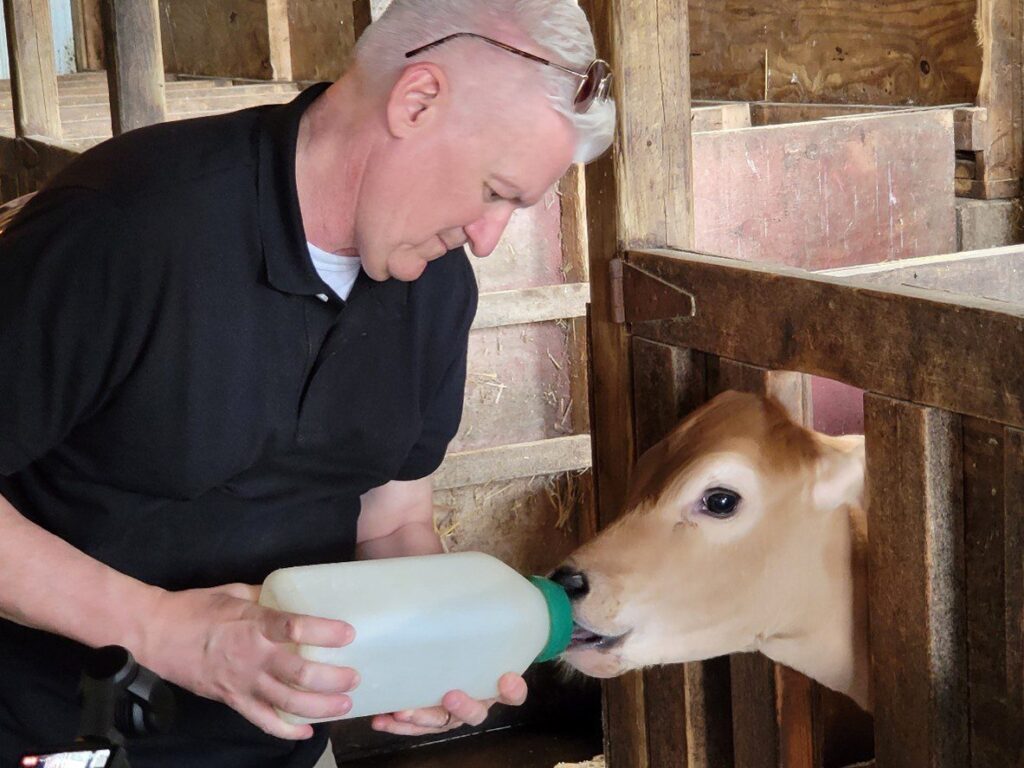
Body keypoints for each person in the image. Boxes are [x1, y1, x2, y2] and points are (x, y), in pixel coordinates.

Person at [0, 0, 615, 765]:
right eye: (495, 191)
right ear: (416, 100)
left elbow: (390, 521)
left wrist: (436, 645)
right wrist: (162, 629)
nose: (489, 240)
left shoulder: (436, 287)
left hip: (281, 745)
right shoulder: (128, 225)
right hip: (58, 737)